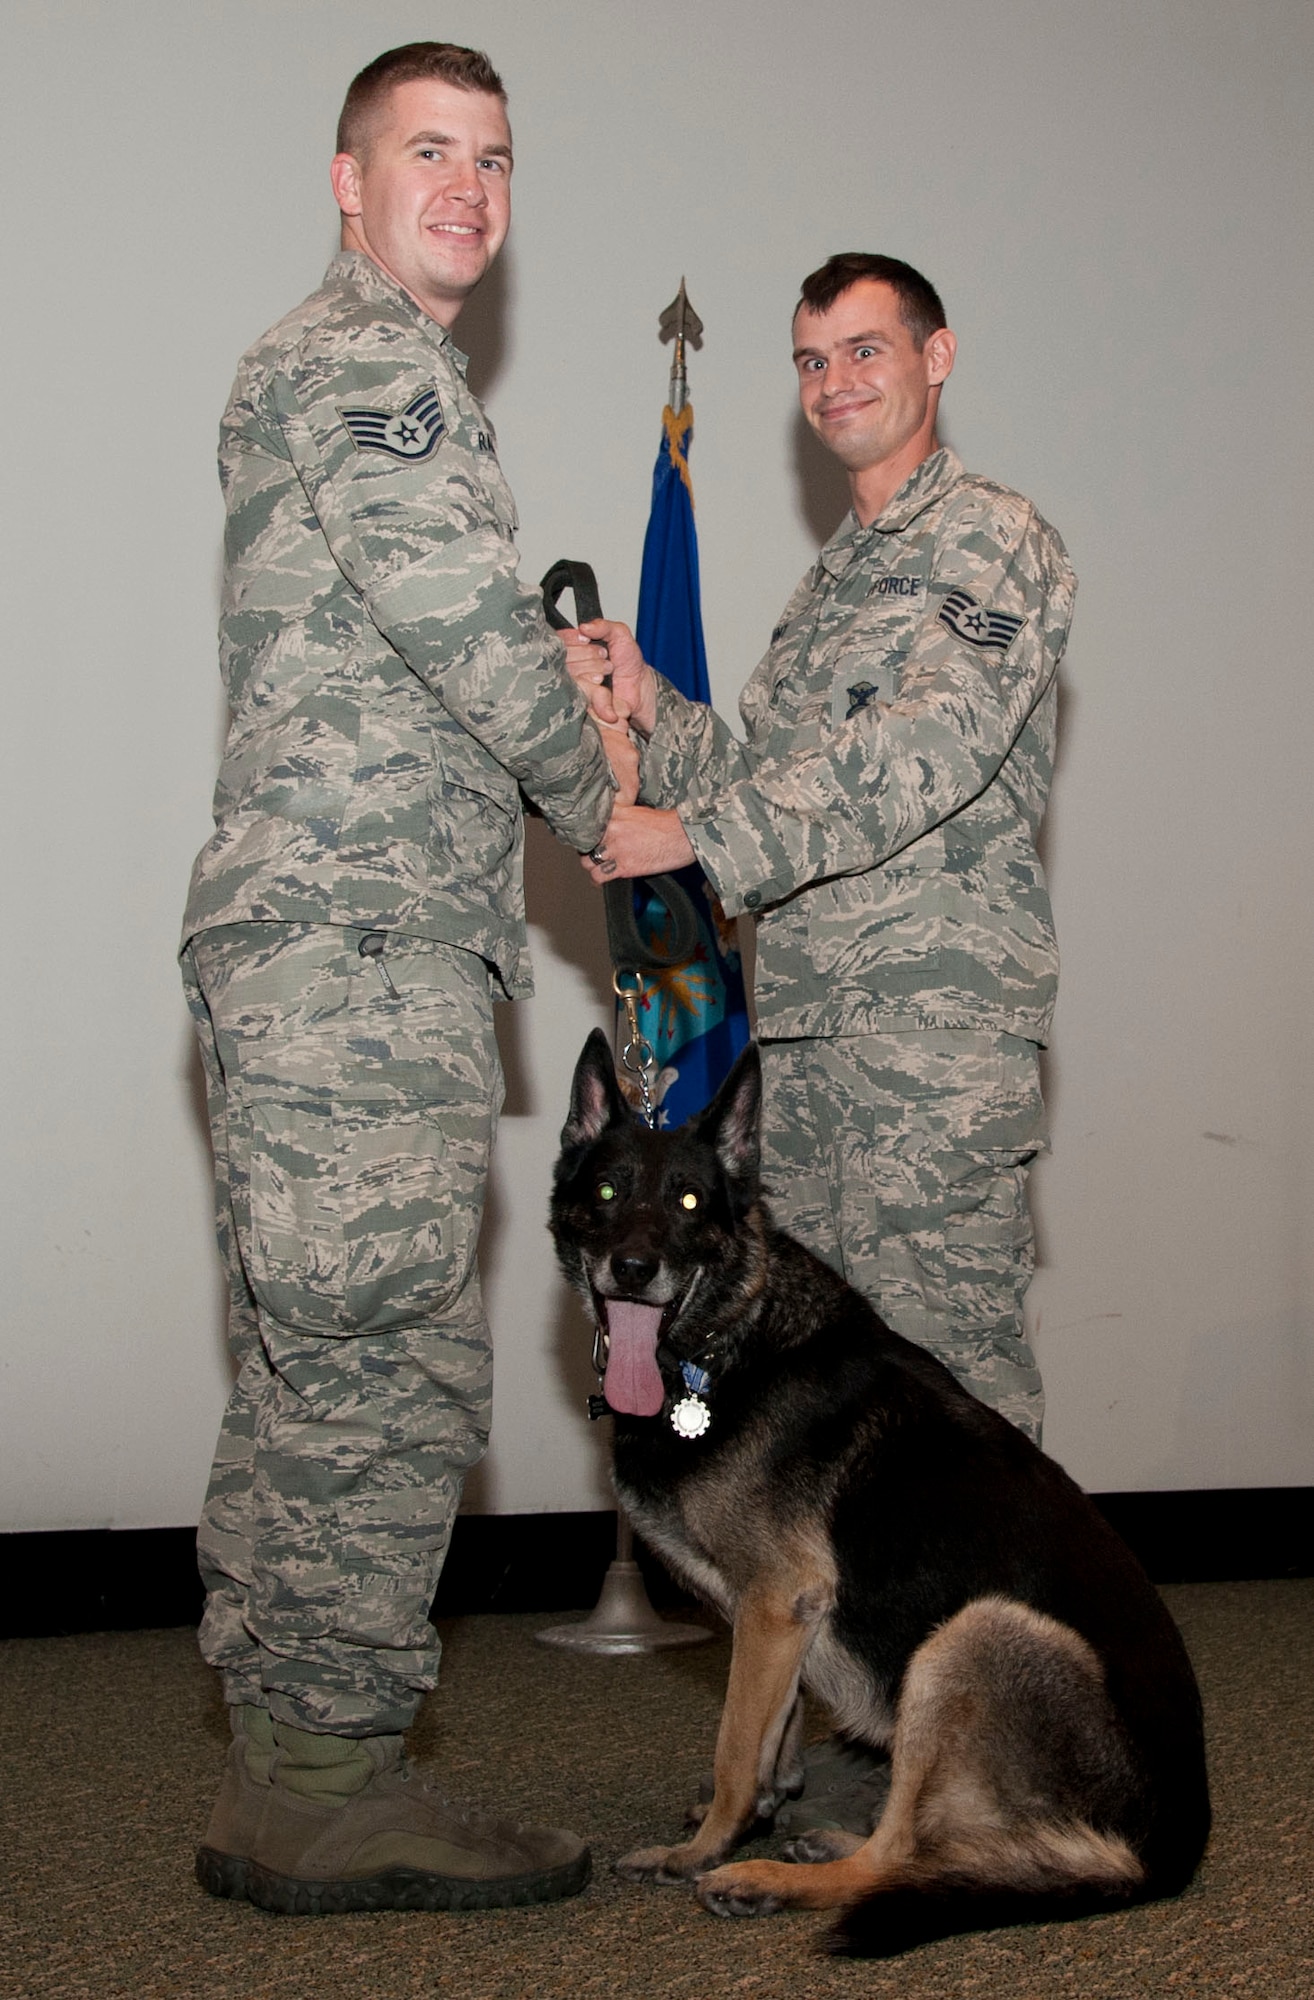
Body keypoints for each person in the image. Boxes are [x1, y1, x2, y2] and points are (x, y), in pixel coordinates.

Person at [180, 42, 613, 1915]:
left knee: (315, 1365)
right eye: (427, 150)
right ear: (345, 180)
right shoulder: (373, 364)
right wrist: (614, 806)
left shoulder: (350, 367)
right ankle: (338, 1786)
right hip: (355, 954)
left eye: (494, 158)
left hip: (333, 942)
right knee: (376, 1372)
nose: (467, 184)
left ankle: (294, 1776)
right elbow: (458, 624)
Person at [572, 253, 1076, 1446]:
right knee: (823, 1405)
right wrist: (656, 709)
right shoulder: (827, 590)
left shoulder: (993, 537)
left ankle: (999, 1640)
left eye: (865, 349)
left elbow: (926, 747)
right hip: (804, 1048)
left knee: (949, 1400)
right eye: (812, 359)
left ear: (935, 357)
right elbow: (773, 784)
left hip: (928, 1043)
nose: (835, 380)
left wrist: (692, 833)